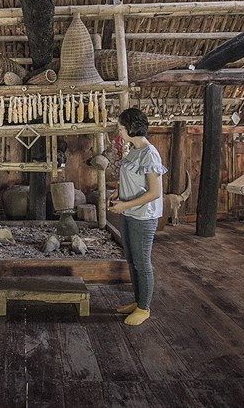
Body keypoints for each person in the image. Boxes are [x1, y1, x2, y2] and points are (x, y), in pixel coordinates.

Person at [108, 108, 167, 326]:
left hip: (143, 216)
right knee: (132, 261)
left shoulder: (149, 153)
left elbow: (154, 192)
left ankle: (144, 308)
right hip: (128, 212)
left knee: (142, 263)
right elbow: (131, 180)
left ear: (132, 128)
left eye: (122, 128)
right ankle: (138, 301)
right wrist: (118, 192)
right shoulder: (133, 151)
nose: (120, 132)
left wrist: (125, 205)